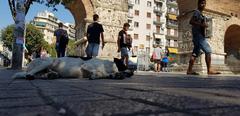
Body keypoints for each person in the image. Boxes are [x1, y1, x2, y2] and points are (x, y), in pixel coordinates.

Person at [187, 0, 220, 75]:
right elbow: (191, 21)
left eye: (204, 3)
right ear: (198, 4)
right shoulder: (197, 12)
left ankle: (189, 70)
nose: (203, 5)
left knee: (195, 53)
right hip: (199, 36)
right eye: (202, 3)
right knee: (208, 50)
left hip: (198, 36)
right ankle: (209, 70)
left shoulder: (200, 13)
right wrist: (202, 25)